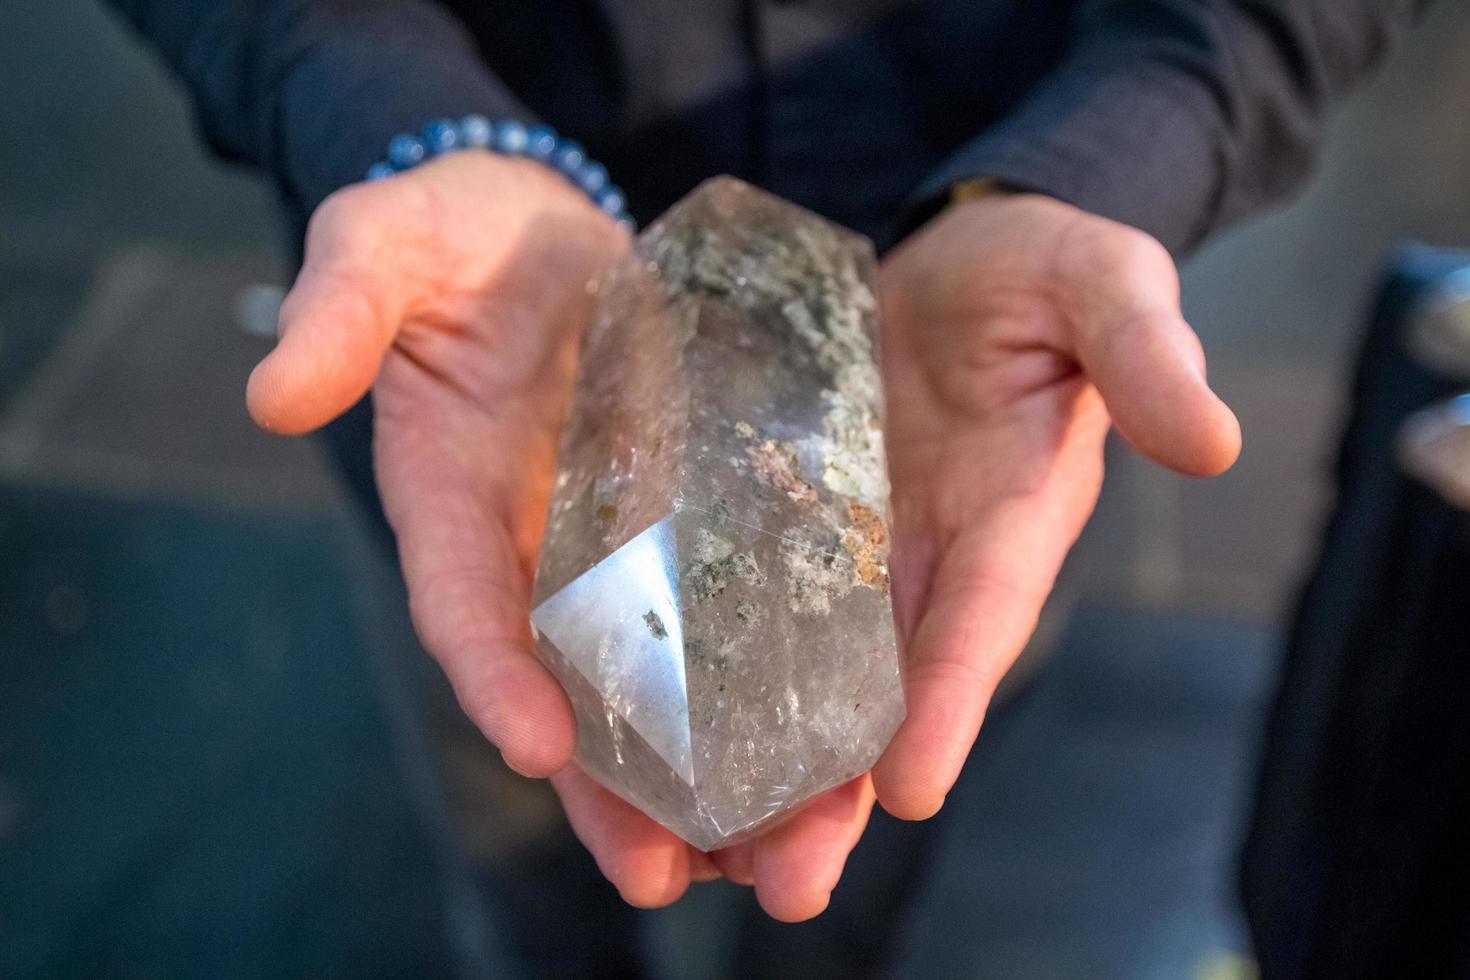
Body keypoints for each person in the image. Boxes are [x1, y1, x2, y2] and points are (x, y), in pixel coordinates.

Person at [104, 0, 1429, 928]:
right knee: (522, 844)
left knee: (862, 862)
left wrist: (1113, 153)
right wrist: (382, 99)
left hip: (988, 390)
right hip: (469, 368)